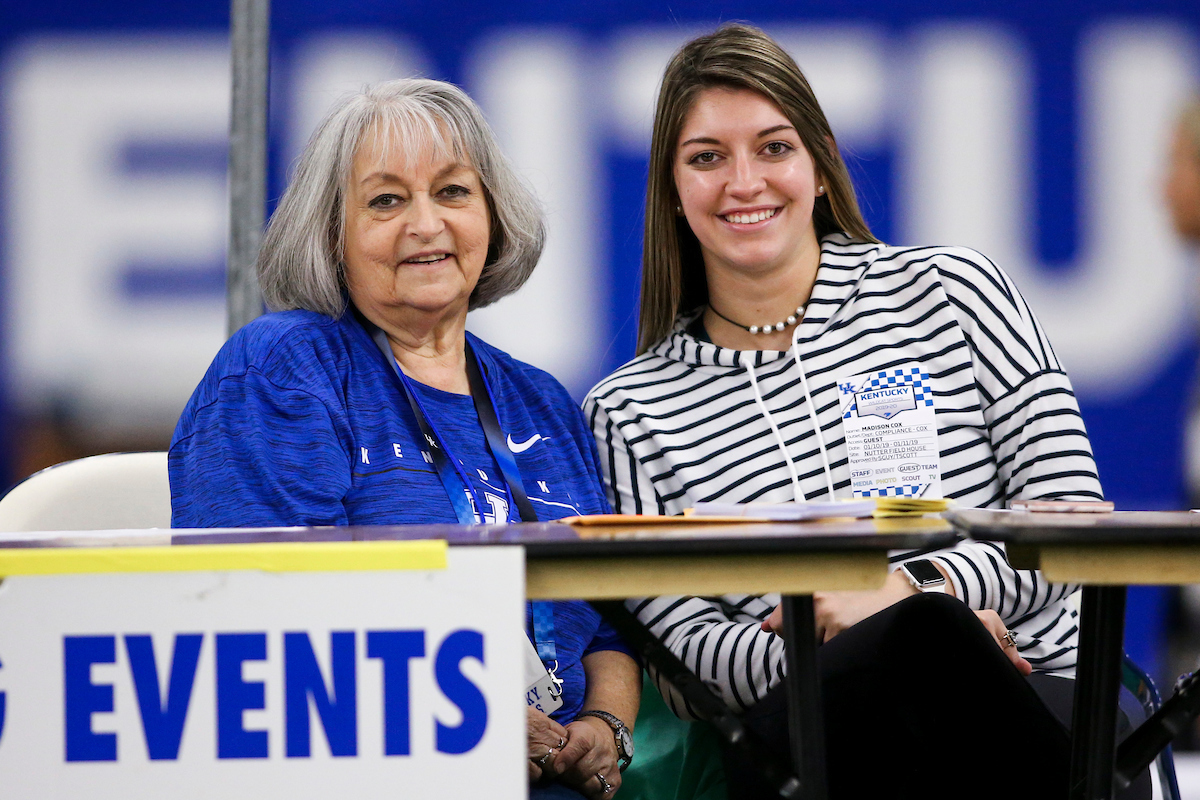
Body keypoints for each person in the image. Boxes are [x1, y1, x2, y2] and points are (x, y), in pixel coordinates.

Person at [584, 23, 1147, 800]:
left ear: (822, 165)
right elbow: (685, 661)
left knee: (934, 646)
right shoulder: (626, 413)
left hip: (1033, 691)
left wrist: (918, 596)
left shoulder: (955, 293)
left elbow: (1068, 523)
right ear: (673, 193)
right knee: (920, 652)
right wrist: (887, 643)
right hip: (813, 743)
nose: (743, 180)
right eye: (707, 157)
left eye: (774, 147)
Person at [169, 78, 638, 799]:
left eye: (453, 192)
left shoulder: (539, 399)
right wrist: (459, 721)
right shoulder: (285, 366)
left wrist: (605, 726)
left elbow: (608, 626)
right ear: (332, 234)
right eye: (386, 200)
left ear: (493, 214)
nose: (427, 224)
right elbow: (262, 618)